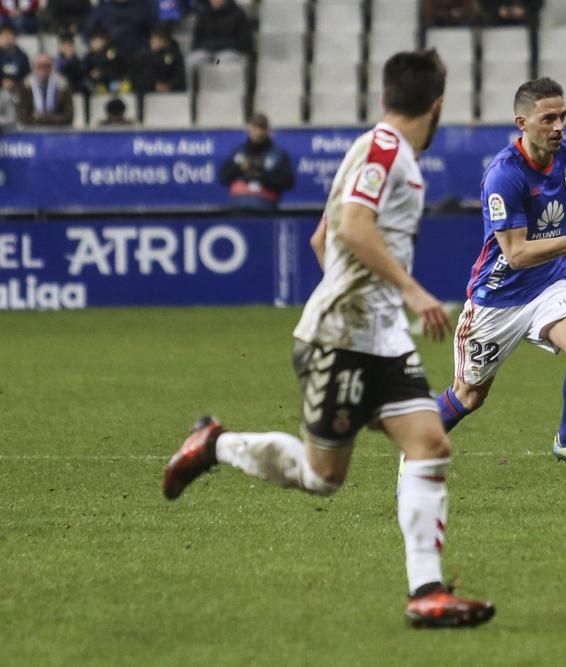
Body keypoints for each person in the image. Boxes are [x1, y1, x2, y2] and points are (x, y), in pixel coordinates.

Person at [163, 49, 496, 630]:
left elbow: (323, 238)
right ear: (437, 105)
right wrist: (411, 294)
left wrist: (361, 297)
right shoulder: (387, 152)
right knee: (323, 477)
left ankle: (427, 592)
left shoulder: (381, 151)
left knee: (429, 446)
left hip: (378, 337)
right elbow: (350, 229)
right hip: (344, 339)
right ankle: (214, 444)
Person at [416, 76, 566, 477]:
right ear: (522, 123)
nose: (558, 126)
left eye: (562, 117)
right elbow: (517, 254)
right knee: (469, 396)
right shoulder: (504, 176)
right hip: (498, 296)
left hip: (548, 283)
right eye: (547, 119)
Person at [219, 113, 295, 211]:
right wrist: (239, 168)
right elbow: (224, 177)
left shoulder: (278, 154)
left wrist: (261, 173)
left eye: (262, 128)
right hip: (238, 203)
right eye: (255, 127)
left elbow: (288, 182)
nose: (258, 132)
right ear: (249, 129)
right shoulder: (238, 152)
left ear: (268, 130)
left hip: (265, 202)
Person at [186, 0, 252, 85]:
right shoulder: (204, 14)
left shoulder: (237, 14)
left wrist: (219, 46)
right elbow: (197, 39)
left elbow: (244, 42)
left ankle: (222, 93)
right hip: (207, 52)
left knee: (219, 61)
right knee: (191, 61)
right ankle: (193, 93)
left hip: (230, 52)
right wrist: (204, 48)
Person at [15, 52, 73, 126]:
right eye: (39, 66)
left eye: (47, 66)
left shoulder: (63, 85)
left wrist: (44, 118)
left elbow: (69, 116)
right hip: (32, 131)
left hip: (57, 130)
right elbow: (21, 116)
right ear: (33, 68)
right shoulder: (25, 86)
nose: (43, 69)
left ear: (52, 67)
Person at [132, 23, 186, 94]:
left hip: (173, 94)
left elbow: (180, 77)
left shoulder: (176, 56)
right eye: (153, 40)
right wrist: (154, 85)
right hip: (149, 95)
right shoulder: (145, 57)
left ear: (166, 41)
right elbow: (140, 77)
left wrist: (169, 86)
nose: (155, 43)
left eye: (159, 40)